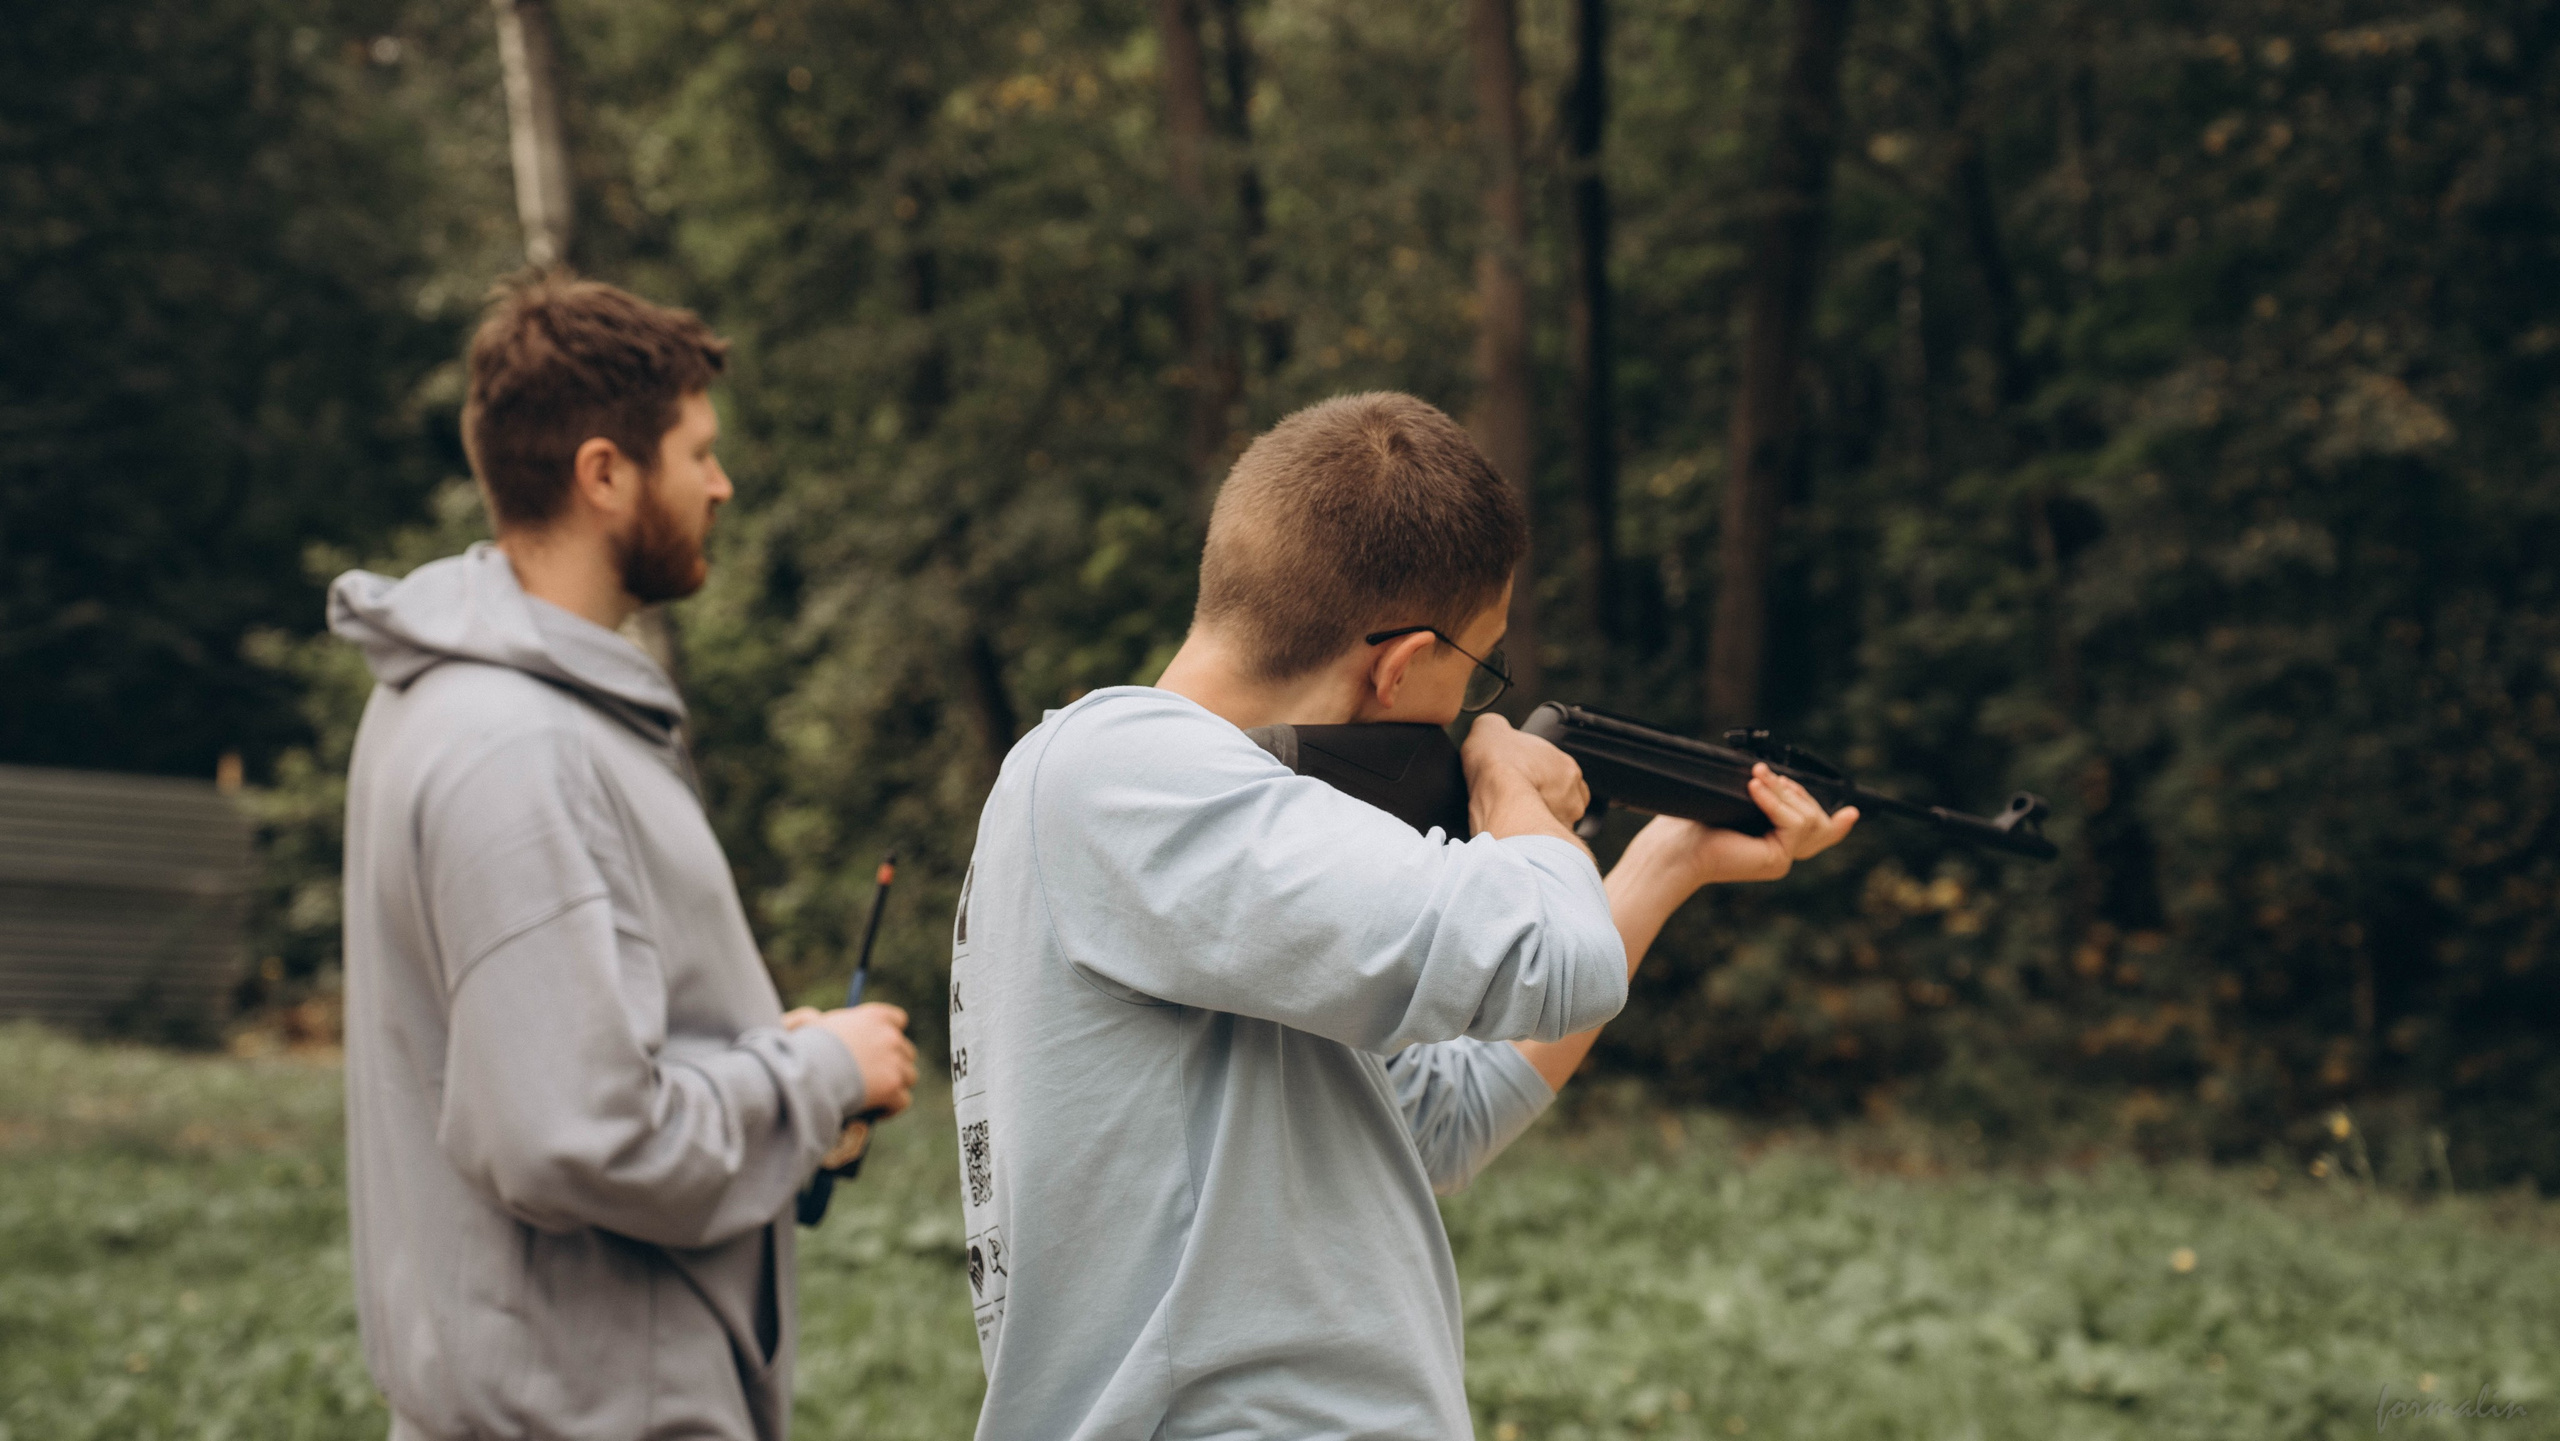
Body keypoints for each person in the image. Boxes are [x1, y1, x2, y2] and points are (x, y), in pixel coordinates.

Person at [947, 391, 1857, 1439]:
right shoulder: (1122, 774)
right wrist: (1515, 795)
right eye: (1482, 667)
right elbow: (1556, 953)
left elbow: (1440, 1118)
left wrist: (1664, 863)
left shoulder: (1197, 840)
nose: (1480, 706)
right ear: (1398, 662)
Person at [329, 275, 918, 1441]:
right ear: (605, 473)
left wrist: (762, 1060)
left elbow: (555, 1052)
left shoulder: (482, 706)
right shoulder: (517, 749)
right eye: (697, 452)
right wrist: (819, 1078)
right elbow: (577, 1136)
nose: (721, 483)